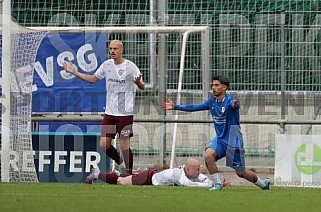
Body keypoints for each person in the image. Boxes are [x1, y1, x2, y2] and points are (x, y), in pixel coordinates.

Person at [160, 75, 270, 191]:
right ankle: (217, 184)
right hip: (220, 139)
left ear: (224, 88)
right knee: (208, 155)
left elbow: (235, 105)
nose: (213, 87)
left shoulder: (229, 101)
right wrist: (175, 107)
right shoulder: (212, 102)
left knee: (241, 172)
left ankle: (263, 184)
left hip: (233, 140)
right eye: (213, 85)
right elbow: (195, 107)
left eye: (216, 85)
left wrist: (235, 104)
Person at [63, 40, 145, 174]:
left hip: (125, 114)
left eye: (115, 49)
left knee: (124, 145)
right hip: (110, 114)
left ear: (121, 50)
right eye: (111, 49)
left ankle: (129, 173)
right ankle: (121, 163)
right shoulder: (106, 65)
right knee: (104, 144)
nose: (112, 51)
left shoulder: (130, 67)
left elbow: (143, 85)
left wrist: (138, 83)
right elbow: (92, 79)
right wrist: (74, 72)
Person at [86, 158, 231, 188]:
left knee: (123, 178)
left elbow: (203, 179)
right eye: (197, 169)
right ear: (187, 169)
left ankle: (116, 173)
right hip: (148, 178)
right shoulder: (179, 174)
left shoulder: (191, 173)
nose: (199, 172)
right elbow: (188, 185)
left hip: (154, 176)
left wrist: (218, 184)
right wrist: (209, 186)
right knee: (121, 183)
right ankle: (97, 174)